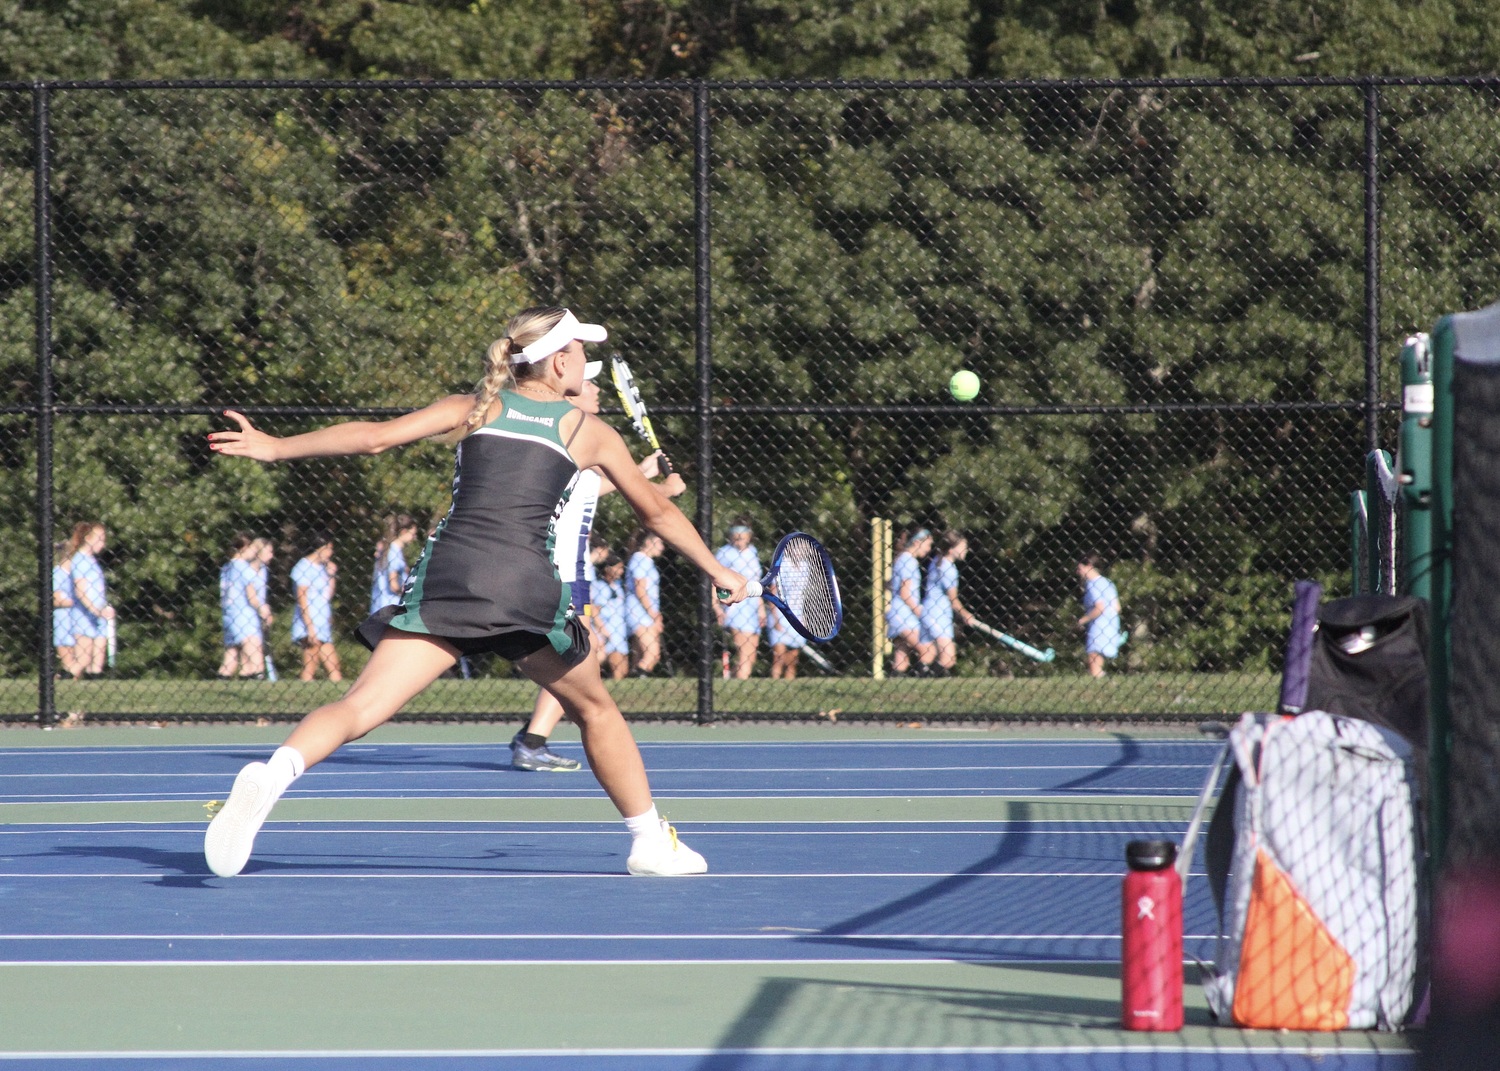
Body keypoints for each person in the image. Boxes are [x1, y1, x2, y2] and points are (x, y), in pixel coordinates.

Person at [203, 305, 750, 879]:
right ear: (559, 362)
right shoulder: (589, 432)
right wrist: (719, 570)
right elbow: (658, 511)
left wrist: (275, 446)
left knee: (359, 707)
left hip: (449, 574)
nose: (587, 367)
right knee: (595, 708)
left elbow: (371, 439)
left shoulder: (473, 408)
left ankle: (275, 772)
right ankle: (649, 842)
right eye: (582, 355)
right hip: (522, 582)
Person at [510, 359, 685, 772]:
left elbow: (586, 492)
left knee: (578, 657)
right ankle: (532, 740)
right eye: (592, 385)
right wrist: (661, 490)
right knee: (577, 658)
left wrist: (640, 471)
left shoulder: (580, 439)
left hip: (571, 571)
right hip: (559, 572)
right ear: (573, 390)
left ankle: (533, 736)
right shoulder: (571, 434)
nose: (599, 391)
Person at [918, 530, 974, 677]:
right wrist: (965, 614)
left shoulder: (936, 561)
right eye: (962, 547)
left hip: (928, 612)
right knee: (948, 658)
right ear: (951, 549)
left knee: (928, 655)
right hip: (938, 614)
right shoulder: (948, 569)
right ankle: (926, 681)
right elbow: (953, 600)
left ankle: (920, 681)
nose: (966, 550)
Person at [60, 521, 113, 678]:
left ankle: (95, 683)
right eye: (100, 538)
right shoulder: (80, 560)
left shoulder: (92, 561)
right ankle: (60, 680)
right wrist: (96, 610)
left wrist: (104, 609)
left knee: (97, 659)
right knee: (83, 659)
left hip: (98, 613)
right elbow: (81, 591)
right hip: (85, 615)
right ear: (88, 538)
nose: (102, 543)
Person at [714, 518, 765, 679]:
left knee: (751, 653)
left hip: (752, 606)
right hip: (735, 605)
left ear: (749, 536)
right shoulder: (724, 553)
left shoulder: (753, 552)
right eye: (736, 536)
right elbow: (715, 581)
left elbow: (755, 584)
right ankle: (742, 683)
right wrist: (716, 607)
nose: (739, 540)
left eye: (742, 537)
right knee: (744, 650)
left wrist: (761, 608)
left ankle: (735, 683)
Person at [219, 533, 274, 679]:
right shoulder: (243, 567)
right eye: (252, 548)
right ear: (244, 547)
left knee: (232, 659)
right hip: (243, 614)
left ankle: (224, 682)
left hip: (229, 614)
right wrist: (262, 609)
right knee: (256, 659)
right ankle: (259, 684)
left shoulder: (227, 567)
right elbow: (251, 595)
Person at [291, 533, 342, 682]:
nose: (331, 553)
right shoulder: (302, 567)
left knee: (334, 666)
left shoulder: (322, 568)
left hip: (322, 622)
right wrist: (310, 628)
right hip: (309, 623)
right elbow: (302, 599)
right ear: (320, 548)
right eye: (329, 549)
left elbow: (327, 595)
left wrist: (332, 575)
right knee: (310, 667)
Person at [884, 527, 931, 676]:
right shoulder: (909, 561)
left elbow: (889, 585)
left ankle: (893, 685)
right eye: (928, 545)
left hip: (896, 612)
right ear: (917, 542)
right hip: (904, 613)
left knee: (902, 656)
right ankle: (924, 683)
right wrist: (919, 612)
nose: (929, 549)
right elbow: (905, 593)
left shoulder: (901, 559)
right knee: (928, 649)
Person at [624, 529, 667, 676]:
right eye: (660, 542)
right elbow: (640, 589)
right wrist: (653, 614)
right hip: (640, 612)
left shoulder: (646, 561)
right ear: (649, 542)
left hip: (645, 611)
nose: (662, 547)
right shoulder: (640, 559)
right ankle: (637, 676)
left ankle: (635, 680)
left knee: (639, 655)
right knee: (652, 655)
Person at [1077, 552, 1123, 678]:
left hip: (1099, 624)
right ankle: (1100, 676)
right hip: (1112, 623)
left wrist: (1082, 620)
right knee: (1099, 654)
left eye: (1079, 568)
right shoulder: (1108, 582)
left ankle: (1096, 677)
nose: (1078, 572)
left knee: (1093, 653)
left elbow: (1099, 607)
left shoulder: (1092, 584)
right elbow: (1117, 607)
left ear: (1089, 566)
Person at [369, 513, 418, 615]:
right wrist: (409, 594)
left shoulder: (387, 550)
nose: (414, 538)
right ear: (404, 532)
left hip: (381, 606)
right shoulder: (394, 552)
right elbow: (393, 584)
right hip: (392, 607)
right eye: (412, 534)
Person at [592, 551, 631, 680]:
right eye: (618, 568)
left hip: (620, 630)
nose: (621, 571)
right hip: (608, 629)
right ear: (608, 568)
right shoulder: (600, 586)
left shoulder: (618, 586)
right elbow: (594, 609)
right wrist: (602, 629)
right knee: (615, 665)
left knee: (624, 668)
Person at [51, 546, 80, 679]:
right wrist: (80, 602)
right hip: (63, 620)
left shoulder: (75, 574)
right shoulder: (57, 573)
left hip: (77, 620)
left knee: (79, 658)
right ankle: (65, 678)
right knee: (68, 661)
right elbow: (55, 599)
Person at [766, 589, 806, 679]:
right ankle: (775, 682)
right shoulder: (778, 574)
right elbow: (772, 594)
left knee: (792, 662)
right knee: (778, 659)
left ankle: (789, 685)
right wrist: (775, 619)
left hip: (796, 620)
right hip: (780, 619)